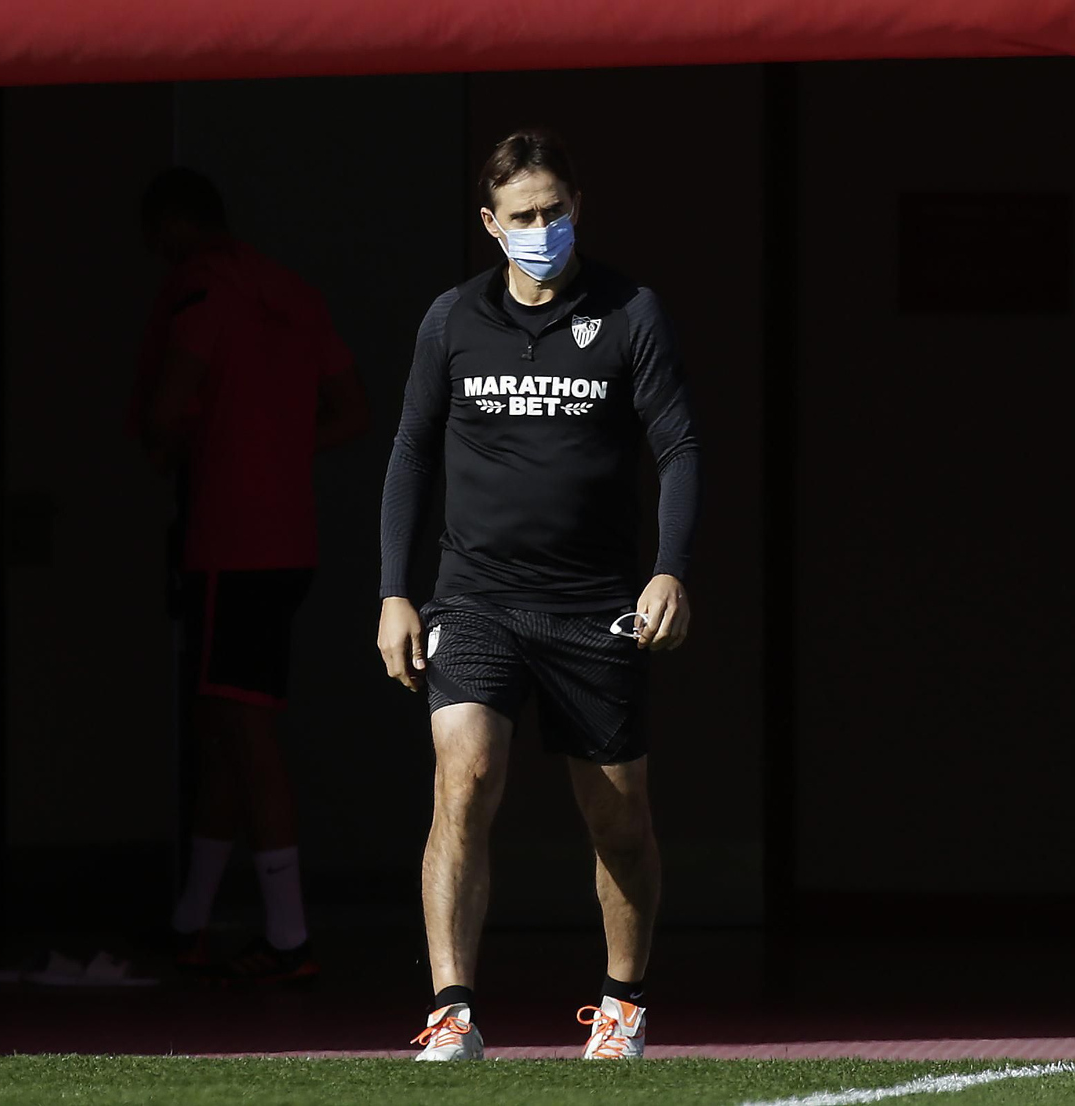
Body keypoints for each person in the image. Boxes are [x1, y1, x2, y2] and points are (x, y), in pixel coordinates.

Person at [376, 131, 700, 1059]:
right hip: (473, 595)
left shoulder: (631, 311)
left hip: (595, 602)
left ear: (577, 207)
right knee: (464, 775)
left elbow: (678, 446)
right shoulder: (452, 319)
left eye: (554, 210)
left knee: (617, 816)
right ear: (490, 225)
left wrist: (669, 566)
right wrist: (396, 592)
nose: (541, 228)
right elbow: (409, 452)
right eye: (522, 216)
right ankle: (452, 1011)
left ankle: (622, 1004)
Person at [131, 167, 367, 984]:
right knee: (226, 730)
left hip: (229, 542)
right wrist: (279, 448)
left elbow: (166, 407)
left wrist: (209, 446)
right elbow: (351, 409)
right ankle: (190, 924)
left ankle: (289, 938)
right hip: (287, 539)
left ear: (168, 232)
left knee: (246, 734)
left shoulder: (203, 292)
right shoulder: (292, 294)